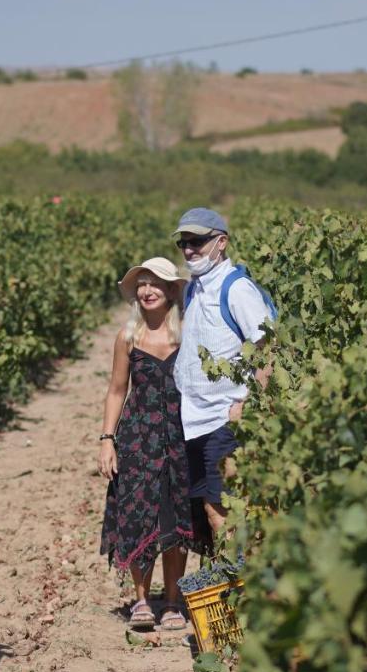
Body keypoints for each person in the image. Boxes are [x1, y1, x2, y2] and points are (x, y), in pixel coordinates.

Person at [98, 257, 195, 631]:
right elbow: (116, 390)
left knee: (176, 518)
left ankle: (172, 601)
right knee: (138, 514)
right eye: (142, 284)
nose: (147, 290)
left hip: (180, 436)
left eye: (155, 283)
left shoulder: (187, 335)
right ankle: (141, 599)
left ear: (171, 290)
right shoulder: (128, 337)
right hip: (138, 437)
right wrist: (108, 440)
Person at [172, 208, 273, 543]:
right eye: (184, 243)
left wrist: (246, 404)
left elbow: (267, 348)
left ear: (222, 242)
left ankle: (246, 587)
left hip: (224, 418)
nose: (189, 250)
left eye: (198, 241)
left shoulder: (237, 289)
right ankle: (236, 586)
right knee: (210, 511)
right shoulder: (194, 289)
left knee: (225, 510)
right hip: (194, 418)